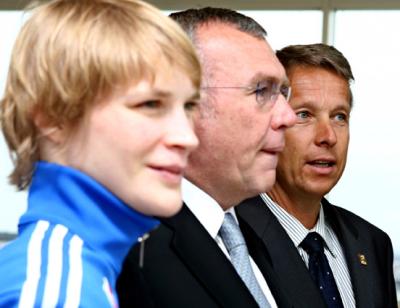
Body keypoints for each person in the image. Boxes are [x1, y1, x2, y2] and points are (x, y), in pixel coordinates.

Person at [0, 0, 201, 306]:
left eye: (188, 106)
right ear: (54, 118)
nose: (187, 138)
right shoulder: (58, 290)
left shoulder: (77, 268)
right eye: (149, 104)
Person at [117, 7, 296, 308]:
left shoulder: (261, 238)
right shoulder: (127, 254)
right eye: (262, 91)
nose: (288, 117)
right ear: (181, 101)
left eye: (283, 93)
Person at [236, 43, 397, 308]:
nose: (328, 136)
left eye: (339, 116)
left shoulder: (373, 243)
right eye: (304, 115)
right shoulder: (231, 235)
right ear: (270, 123)